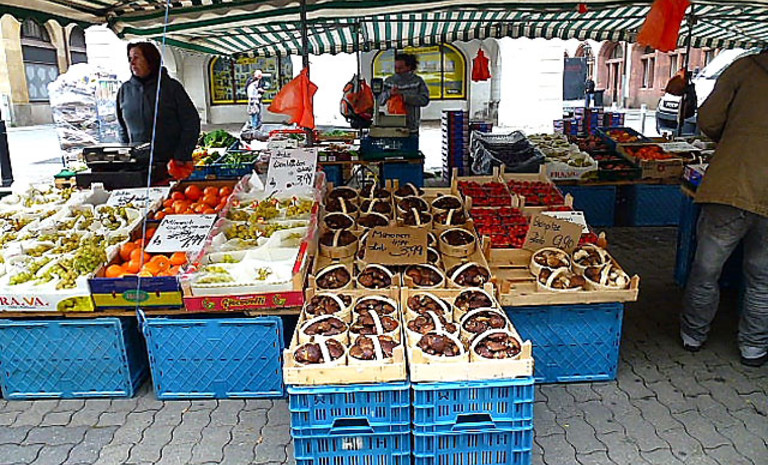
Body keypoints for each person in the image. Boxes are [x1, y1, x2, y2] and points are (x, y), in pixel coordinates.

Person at [680, 50, 768, 367]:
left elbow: (709, 120)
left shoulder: (744, 68)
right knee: (762, 278)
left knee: (706, 268)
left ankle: (693, 335)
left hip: (732, 184)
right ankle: (754, 347)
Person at [116, 41, 199, 181]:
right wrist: (126, 157)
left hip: (170, 167)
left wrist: (182, 155)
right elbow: (122, 128)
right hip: (137, 168)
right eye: (130, 59)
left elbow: (191, 122)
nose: (132, 63)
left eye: (136, 58)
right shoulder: (124, 90)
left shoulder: (171, 88)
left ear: (150, 60)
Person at [377, 53, 430, 135]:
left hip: (411, 127)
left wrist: (404, 97)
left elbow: (424, 100)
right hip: (392, 126)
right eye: (396, 67)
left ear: (409, 67)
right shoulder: (389, 82)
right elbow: (379, 101)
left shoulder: (417, 81)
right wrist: (389, 93)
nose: (397, 70)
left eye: (401, 68)